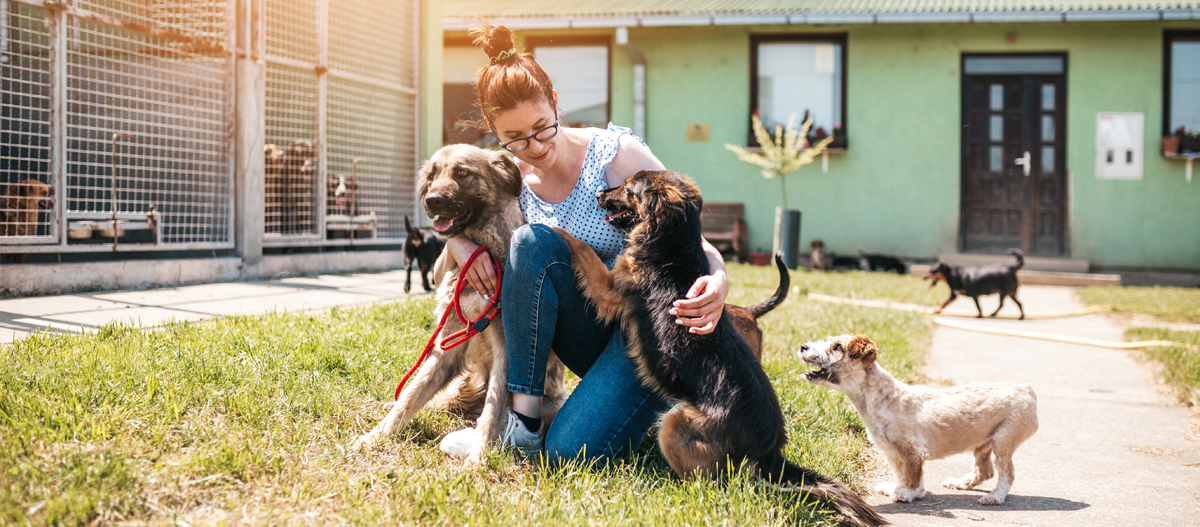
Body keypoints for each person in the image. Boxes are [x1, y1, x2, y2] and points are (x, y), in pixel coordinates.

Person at [439, 22, 730, 464]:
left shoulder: (617, 156)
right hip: (591, 329)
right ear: (494, 132)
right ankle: (523, 424)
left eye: (542, 127)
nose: (535, 147)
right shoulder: (513, 179)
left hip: (652, 338)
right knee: (530, 242)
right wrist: (459, 244)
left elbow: (693, 239)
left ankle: (644, 406)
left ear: (556, 102)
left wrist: (719, 278)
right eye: (515, 139)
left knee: (567, 453)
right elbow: (461, 214)